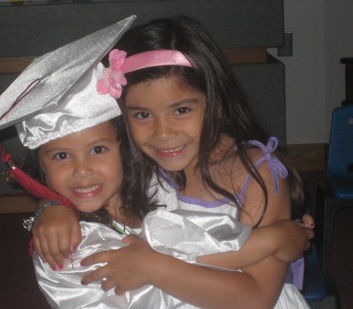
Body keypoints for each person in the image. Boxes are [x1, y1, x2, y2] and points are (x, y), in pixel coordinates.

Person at [31, 16, 314, 309]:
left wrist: (151, 267)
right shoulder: (136, 159)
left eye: (181, 110)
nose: (163, 133)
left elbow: (256, 299)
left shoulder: (254, 173)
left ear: (216, 102)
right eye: (142, 114)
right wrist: (53, 207)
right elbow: (82, 182)